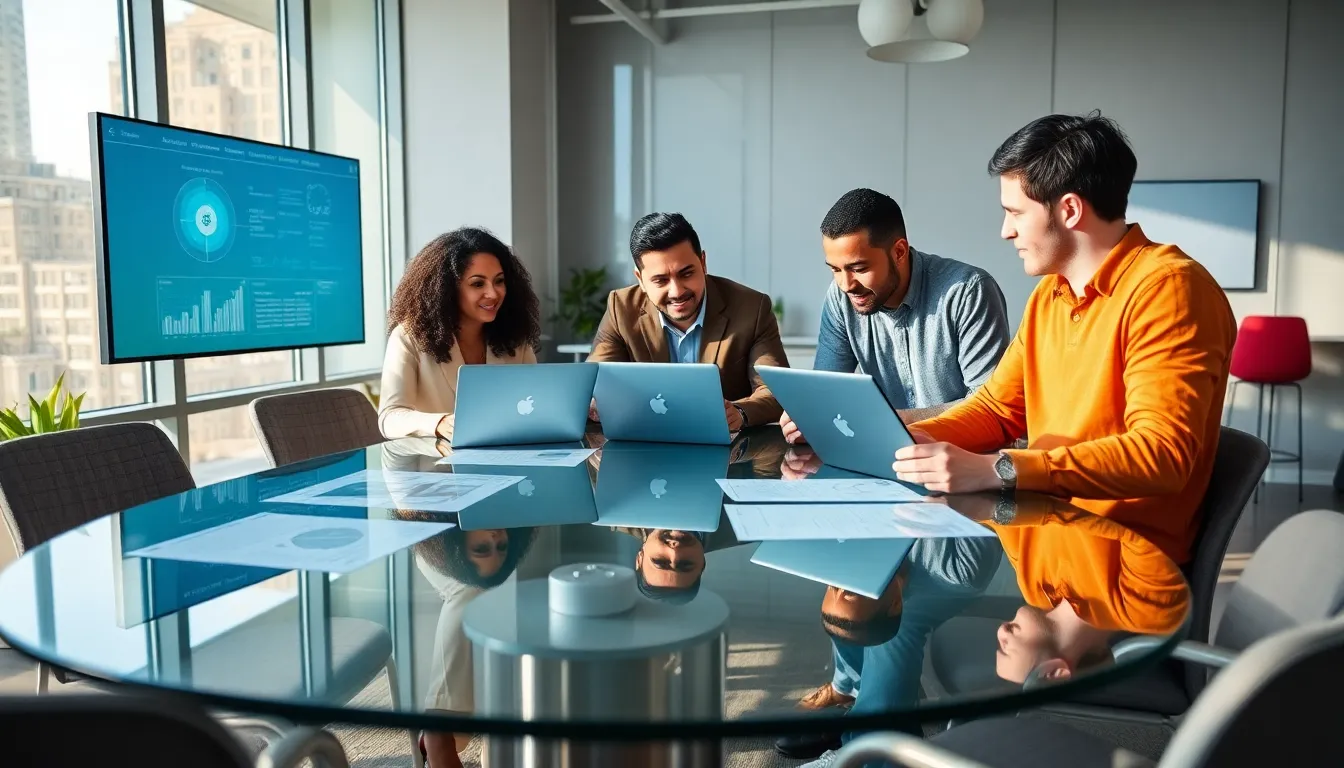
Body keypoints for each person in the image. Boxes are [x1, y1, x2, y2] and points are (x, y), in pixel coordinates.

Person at [894, 112, 1238, 565]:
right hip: (1050, 542)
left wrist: (1000, 468)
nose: (1005, 230)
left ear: (1070, 210)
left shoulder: (1170, 288)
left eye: (1015, 212)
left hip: (1121, 567)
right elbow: (998, 411)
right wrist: (898, 434)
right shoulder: (1048, 297)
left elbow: (1162, 454)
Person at [780, 188, 1011, 445]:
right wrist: (810, 417)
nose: (846, 284)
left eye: (859, 268)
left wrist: (901, 420)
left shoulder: (968, 291)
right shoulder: (840, 297)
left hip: (963, 455)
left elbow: (989, 404)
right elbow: (828, 392)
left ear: (899, 252)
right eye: (835, 269)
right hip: (886, 456)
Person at [785, 535, 1003, 765]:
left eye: (838, 587)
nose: (840, 585)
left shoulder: (958, 569)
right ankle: (850, 689)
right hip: (896, 545)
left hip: (936, 586)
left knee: (893, 630)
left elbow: (988, 507)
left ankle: (868, 754)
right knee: (844, 616)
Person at [587, 212, 788, 430]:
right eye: (661, 280)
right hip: (647, 443)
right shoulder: (621, 308)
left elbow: (776, 392)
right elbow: (594, 380)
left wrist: (739, 412)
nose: (676, 291)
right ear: (641, 280)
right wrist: (594, 399)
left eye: (686, 274)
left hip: (728, 453)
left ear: (703, 263)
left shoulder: (752, 308)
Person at [379, 227, 542, 440]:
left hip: (505, 461)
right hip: (436, 466)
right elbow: (389, 418)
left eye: (499, 281)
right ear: (446, 288)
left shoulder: (513, 336)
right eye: (477, 283)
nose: (493, 293)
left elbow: (536, 404)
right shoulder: (408, 336)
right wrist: (439, 423)